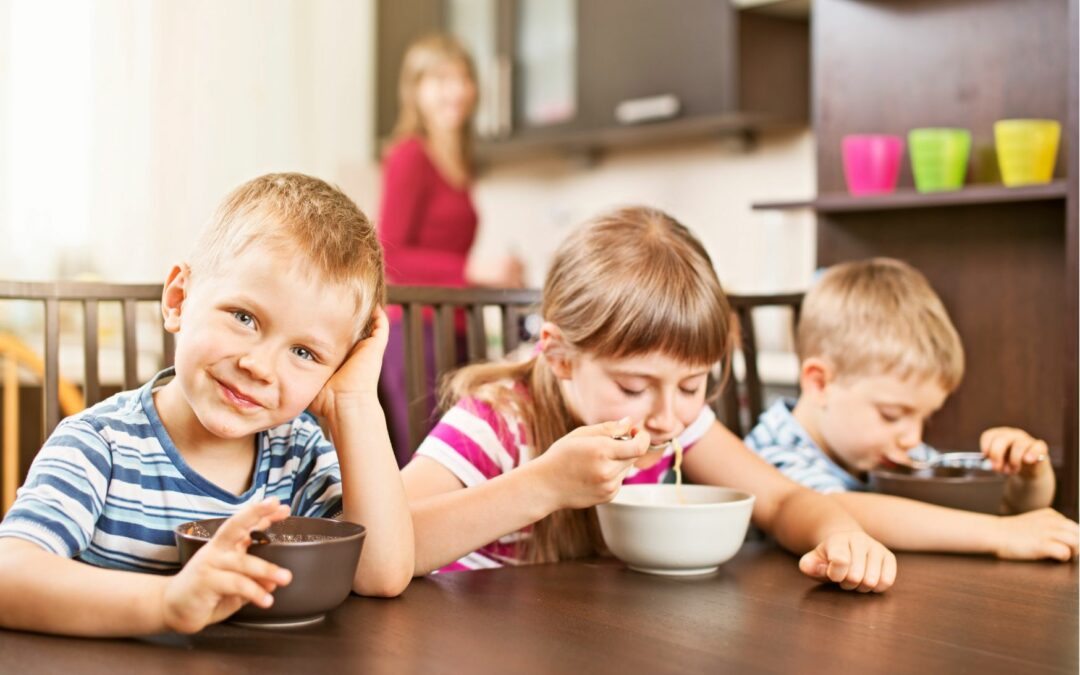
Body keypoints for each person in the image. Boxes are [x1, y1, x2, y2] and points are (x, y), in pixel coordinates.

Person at [0, 173, 415, 636]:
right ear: (179, 299)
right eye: (244, 317)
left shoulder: (299, 456)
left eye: (305, 353)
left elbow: (379, 574)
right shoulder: (101, 446)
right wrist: (167, 603)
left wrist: (356, 401)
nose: (260, 366)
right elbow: (9, 573)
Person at [402, 206, 898, 593]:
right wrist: (545, 484)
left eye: (691, 385)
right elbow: (381, 541)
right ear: (560, 357)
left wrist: (840, 534)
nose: (667, 416)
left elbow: (784, 500)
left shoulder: (682, 424)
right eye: (633, 388)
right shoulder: (499, 421)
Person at [745, 257, 1078, 561]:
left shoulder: (893, 450)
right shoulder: (772, 452)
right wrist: (998, 535)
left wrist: (1027, 476)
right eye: (892, 414)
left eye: (925, 417)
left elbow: (1009, 515)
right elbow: (834, 512)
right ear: (820, 383)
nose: (913, 437)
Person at [378, 33, 524, 462]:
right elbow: (388, 252)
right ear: (415, 91)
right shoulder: (410, 156)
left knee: (457, 455)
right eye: (441, 80)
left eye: (463, 78)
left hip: (454, 325)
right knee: (425, 458)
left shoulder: (460, 159)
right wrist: (472, 270)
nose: (456, 90)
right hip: (414, 329)